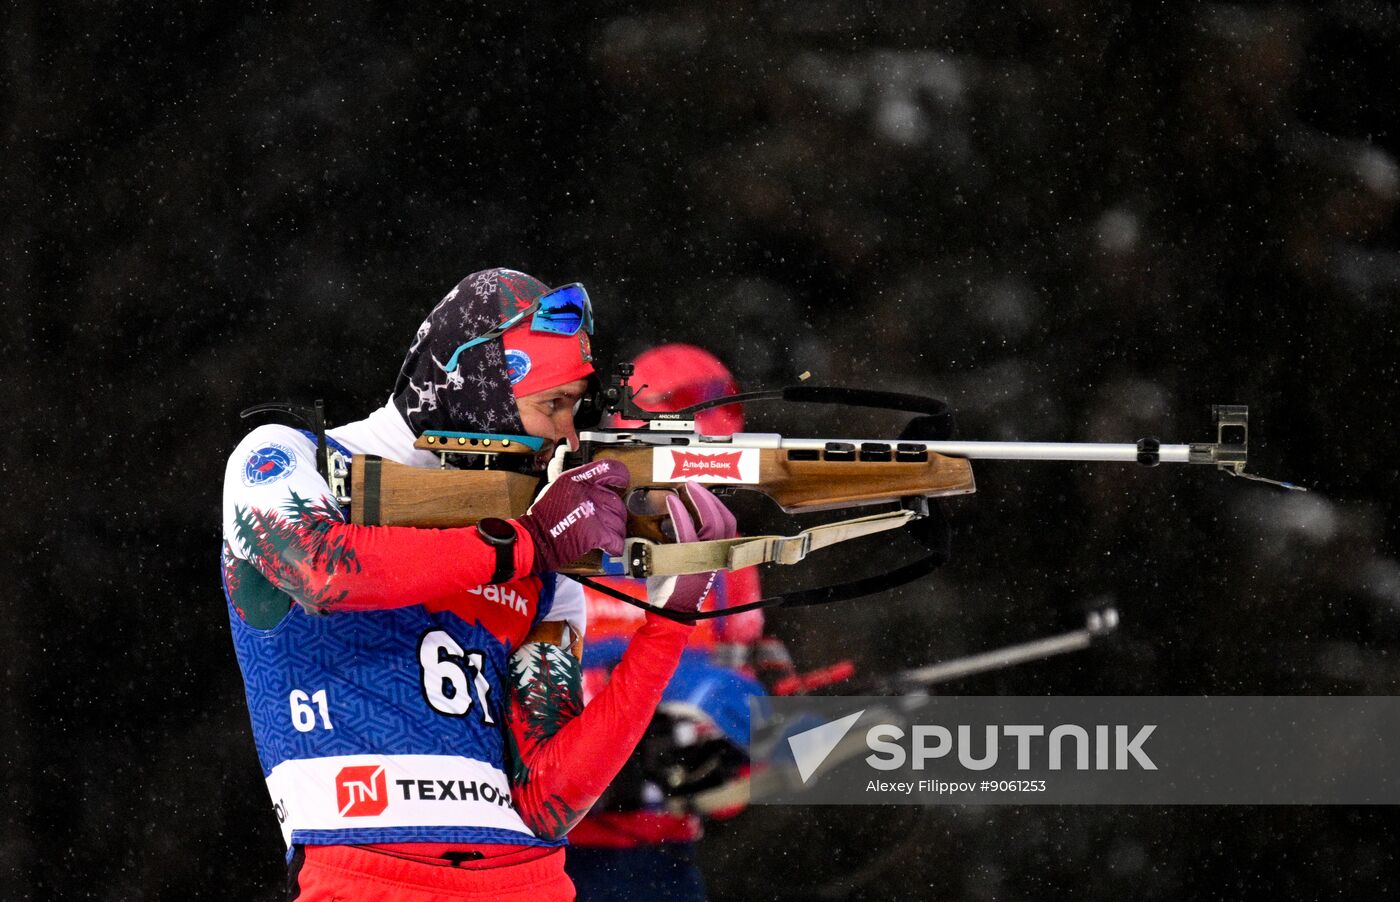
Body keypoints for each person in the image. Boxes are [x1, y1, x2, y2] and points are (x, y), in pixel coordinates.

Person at [221, 269, 737, 901]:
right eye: (554, 405)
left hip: (530, 882)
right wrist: (530, 543)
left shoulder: (547, 567)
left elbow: (548, 801)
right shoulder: (285, 457)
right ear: (481, 385)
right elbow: (317, 568)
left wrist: (671, 622)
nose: (567, 437)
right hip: (364, 878)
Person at [565, 344, 793, 901]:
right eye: (683, 458)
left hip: (659, 852)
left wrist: (728, 759)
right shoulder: (563, 527)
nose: (699, 484)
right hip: (544, 848)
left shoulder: (726, 549)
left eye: (714, 463)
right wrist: (645, 692)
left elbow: (746, 708)